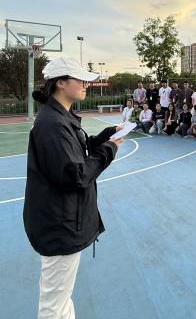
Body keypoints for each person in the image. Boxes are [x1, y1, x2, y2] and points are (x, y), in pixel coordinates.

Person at [24, 57, 123, 319]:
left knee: (60, 298)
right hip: (60, 224)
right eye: (80, 80)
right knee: (54, 306)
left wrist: (105, 137)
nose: (85, 85)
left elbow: (77, 151)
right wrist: (109, 150)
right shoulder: (52, 124)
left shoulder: (60, 118)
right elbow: (76, 174)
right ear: (60, 83)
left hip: (63, 219)